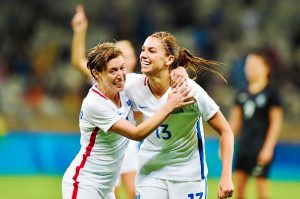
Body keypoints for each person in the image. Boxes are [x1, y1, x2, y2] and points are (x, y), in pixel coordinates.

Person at [62, 41, 194, 199]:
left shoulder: (127, 85)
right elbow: (136, 134)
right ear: (97, 73)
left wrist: (178, 70)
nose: (120, 75)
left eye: (122, 68)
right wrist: (169, 106)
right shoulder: (94, 104)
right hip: (84, 184)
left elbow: (157, 79)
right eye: (113, 71)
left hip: (106, 189)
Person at [124, 31, 234, 199]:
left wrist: (226, 176)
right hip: (151, 172)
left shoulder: (189, 91)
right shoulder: (132, 85)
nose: (144, 55)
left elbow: (226, 131)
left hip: (188, 175)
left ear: (169, 59)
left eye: (152, 51)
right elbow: (101, 78)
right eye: (143, 49)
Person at [70, 5, 139, 199]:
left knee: (134, 192)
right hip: (106, 146)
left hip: (128, 144)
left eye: (128, 53)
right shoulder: (101, 81)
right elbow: (77, 60)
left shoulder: (138, 83)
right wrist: (80, 31)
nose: (124, 57)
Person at [228, 50, 283, 199]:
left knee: (262, 192)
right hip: (244, 146)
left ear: (266, 68)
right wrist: (226, 143)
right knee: (238, 189)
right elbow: (235, 122)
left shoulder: (272, 92)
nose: (249, 68)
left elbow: (276, 123)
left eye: (254, 65)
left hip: (261, 147)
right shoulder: (241, 91)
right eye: (247, 65)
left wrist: (268, 148)